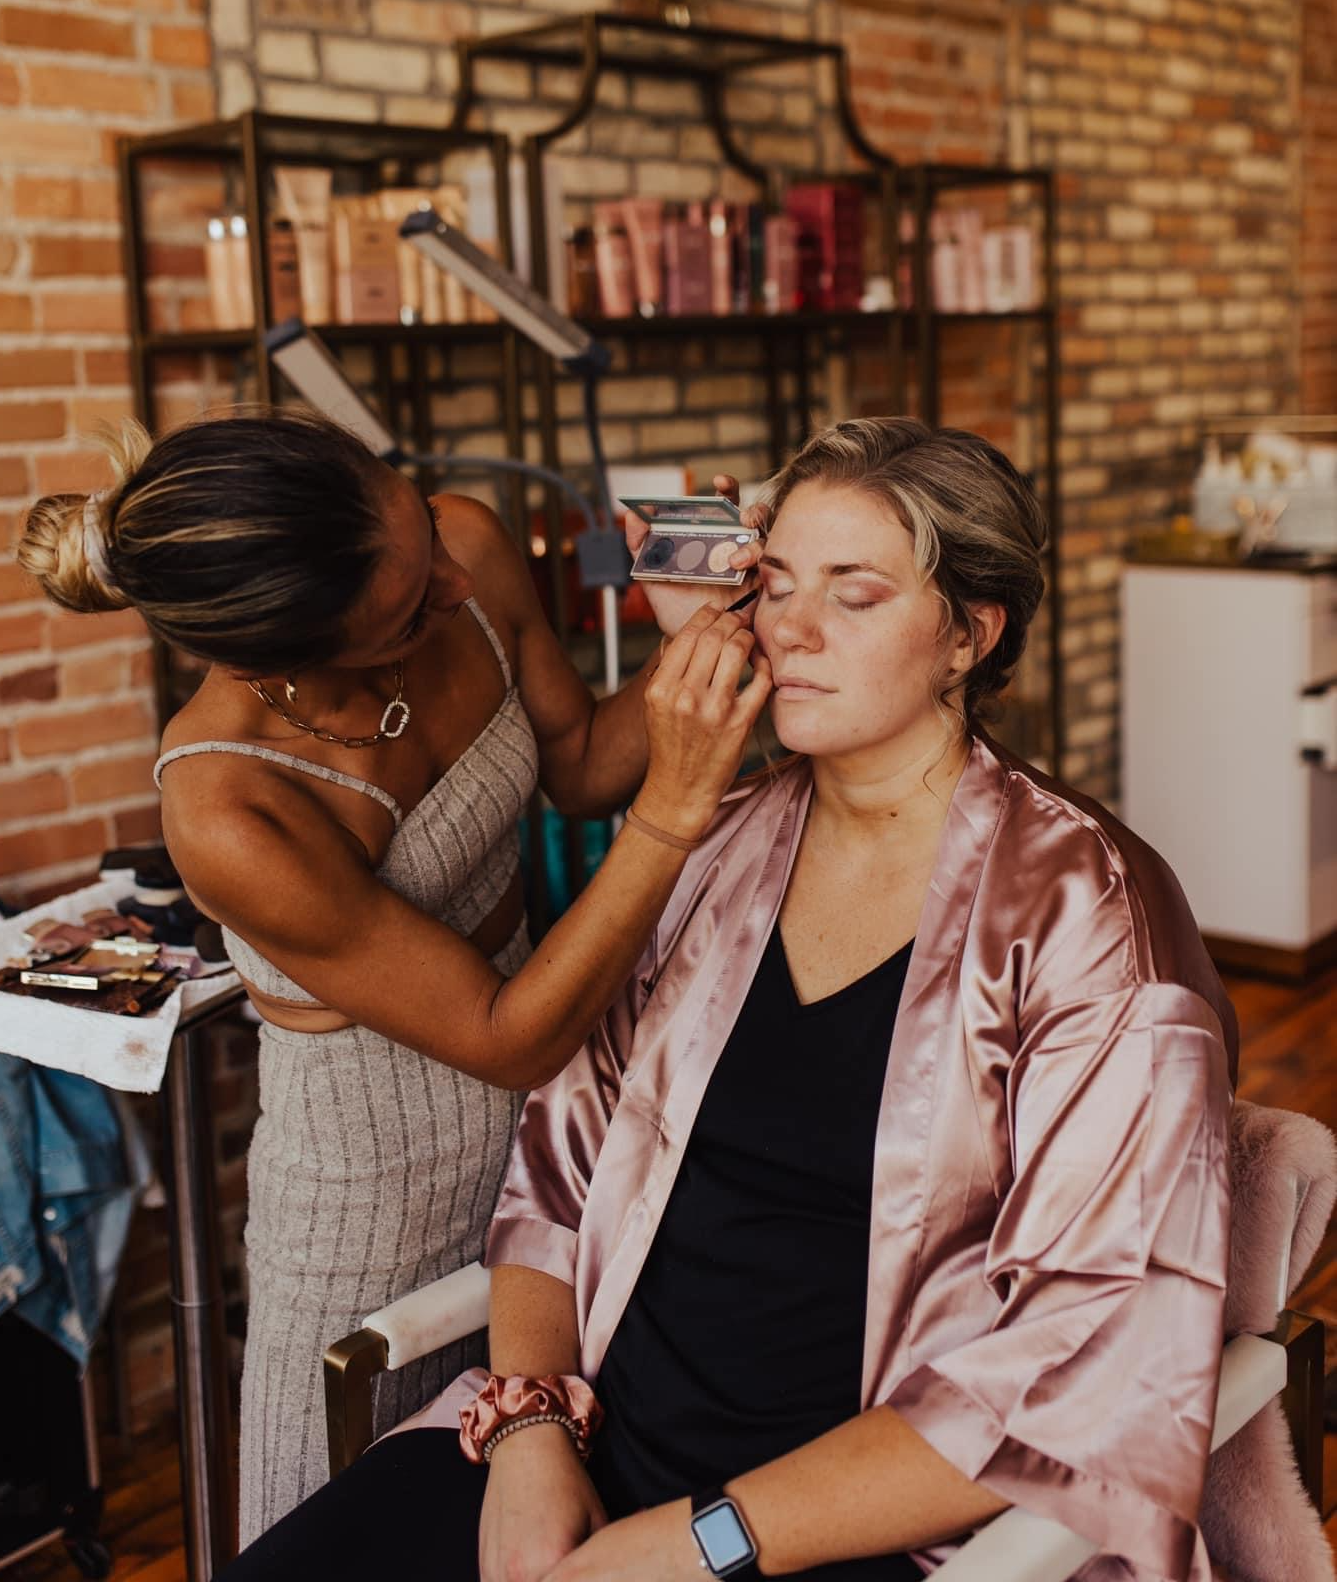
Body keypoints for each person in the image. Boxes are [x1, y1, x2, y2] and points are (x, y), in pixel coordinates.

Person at [221, 416, 1237, 1582]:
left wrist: (699, 1539)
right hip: (595, 1435)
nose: (790, 631)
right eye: (775, 583)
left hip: (864, 1520)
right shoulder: (719, 847)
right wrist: (533, 1424)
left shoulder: (1087, 917)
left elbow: (1088, 1370)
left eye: (854, 596)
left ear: (968, 633)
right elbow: (555, 1173)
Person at [17, 408, 769, 1542]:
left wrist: (708, 637)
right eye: (411, 610)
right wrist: (675, 809)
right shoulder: (227, 802)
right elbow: (505, 1027)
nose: (458, 587)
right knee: (351, 1535)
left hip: (558, 1141)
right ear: (281, 659)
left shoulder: (456, 544)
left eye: (426, 537)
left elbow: (577, 766)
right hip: (371, 1206)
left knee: (564, 1509)